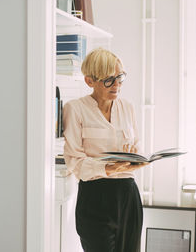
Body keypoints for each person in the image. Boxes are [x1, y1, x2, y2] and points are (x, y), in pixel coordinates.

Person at [62, 47, 149, 252]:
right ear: (89, 81)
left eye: (119, 77)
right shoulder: (75, 109)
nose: (117, 85)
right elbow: (74, 161)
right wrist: (109, 168)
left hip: (128, 195)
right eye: (109, 80)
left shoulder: (127, 107)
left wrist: (136, 156)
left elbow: (136, 145)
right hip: (95, 197)